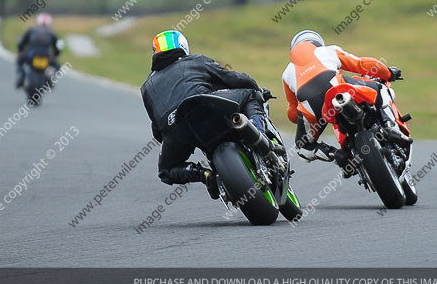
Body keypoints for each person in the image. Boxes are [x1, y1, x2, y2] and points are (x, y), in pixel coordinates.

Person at [140, 30, 284, 198]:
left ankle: (205, 176)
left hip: (176, 127)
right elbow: (232, 78)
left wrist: (175, 139)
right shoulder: (196, 60)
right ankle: (260, 137)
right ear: (183, 46)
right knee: (250, 94)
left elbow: (157, 129)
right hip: (204, 106)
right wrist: (256, 87)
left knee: (166, 171)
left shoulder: (146, 88)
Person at [282, 29, 411, 169]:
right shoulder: (327, 51)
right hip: (336, 88)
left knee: (303, 147)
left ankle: (337, 155)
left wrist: (301, 118)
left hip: (311, 106)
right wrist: (388, 73)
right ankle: (390, 127)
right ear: (317, 43)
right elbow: (362, 64)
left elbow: (293, 113)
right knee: (381, 89)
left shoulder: (286, 74)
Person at [16, 13, 59, 89]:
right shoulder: (52, 33)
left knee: (19, 61)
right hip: (46, 55)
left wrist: (21, 51)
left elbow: (21, 43)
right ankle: (50, 80)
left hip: (31, 54)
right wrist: (55, 55)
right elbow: (56, 48)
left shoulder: (31, 30)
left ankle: (22, 76)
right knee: (56, 66)